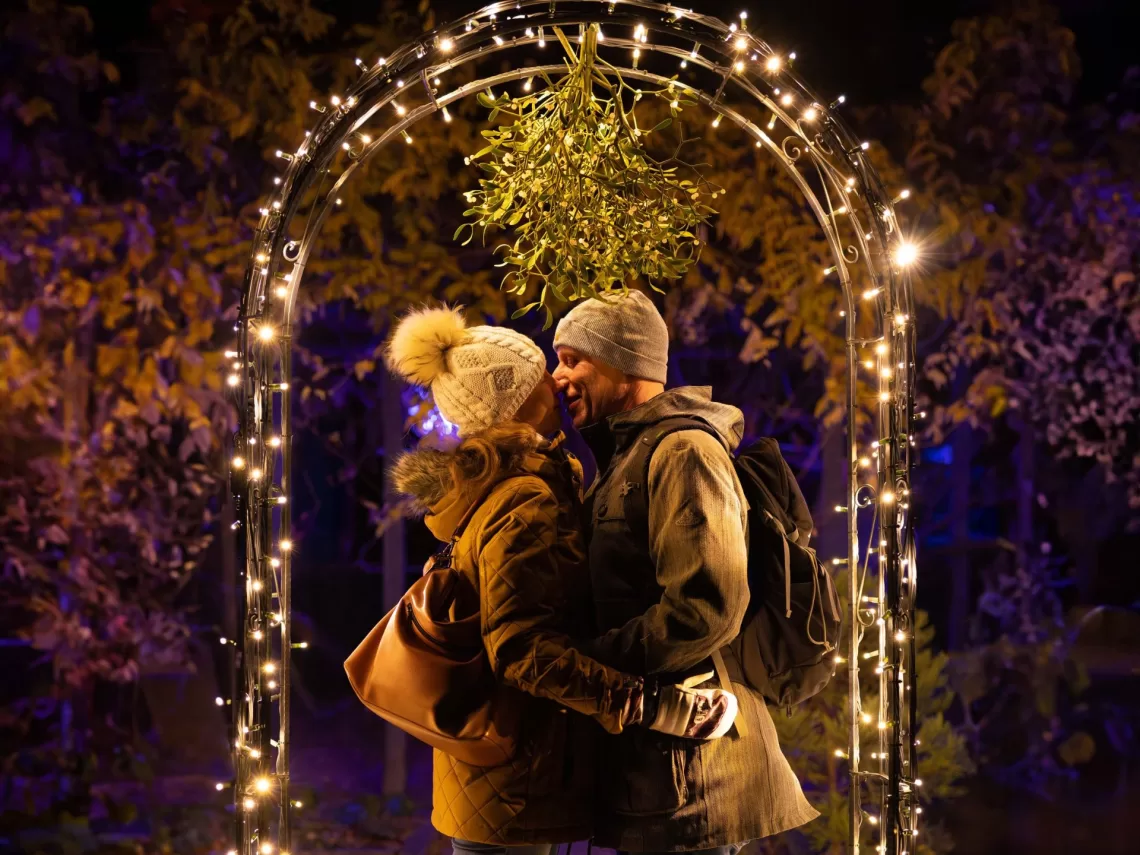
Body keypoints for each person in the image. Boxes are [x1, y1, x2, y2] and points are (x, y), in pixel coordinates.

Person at [385, 306, 740, 855]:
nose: (555, 379)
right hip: (516, 781)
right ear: (510, 405)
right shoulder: (523, 498)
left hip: (500, 776)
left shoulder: (501, 484)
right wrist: (650, 705)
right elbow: (521, 649)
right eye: (541, 374)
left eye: (566, 362)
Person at [551, 290, 819, 855]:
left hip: (698, 775)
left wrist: (588, 662)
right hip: (660, 768)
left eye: (574, 359)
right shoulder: (625, 457)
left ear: (624, 363)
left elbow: (704, 608)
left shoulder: (683, 452)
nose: (558, 376)